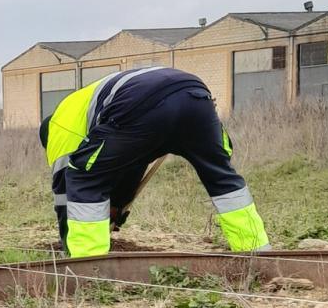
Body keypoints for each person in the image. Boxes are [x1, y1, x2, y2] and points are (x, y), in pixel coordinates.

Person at [40, 67, 270, 258]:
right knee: (221, 176)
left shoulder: (60, 127)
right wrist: (116, 208)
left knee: (83, 177)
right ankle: (255, 253)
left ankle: (88, 264)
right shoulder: (82, 109)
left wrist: (68, 245)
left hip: (140, 102)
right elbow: (130, 163)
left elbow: (66, 194)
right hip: (195, 95)